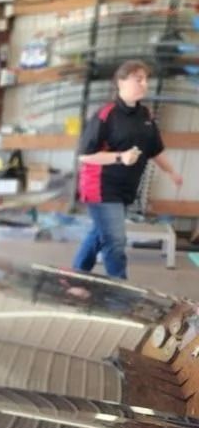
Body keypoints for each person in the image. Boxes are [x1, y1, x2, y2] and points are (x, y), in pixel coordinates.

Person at [72, 59, 183, 280]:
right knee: (115, 240)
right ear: (120, 82)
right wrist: (120, 157)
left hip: (124, 190)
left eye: (146, 80)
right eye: (138, 79)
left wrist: (171, 171)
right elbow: (85, 155)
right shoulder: (106, 114)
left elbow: (155, 149)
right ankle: (120, 292)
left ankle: (76, 276)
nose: (144, 84)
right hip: (101, 188)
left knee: (99, 233)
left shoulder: (146, 116)